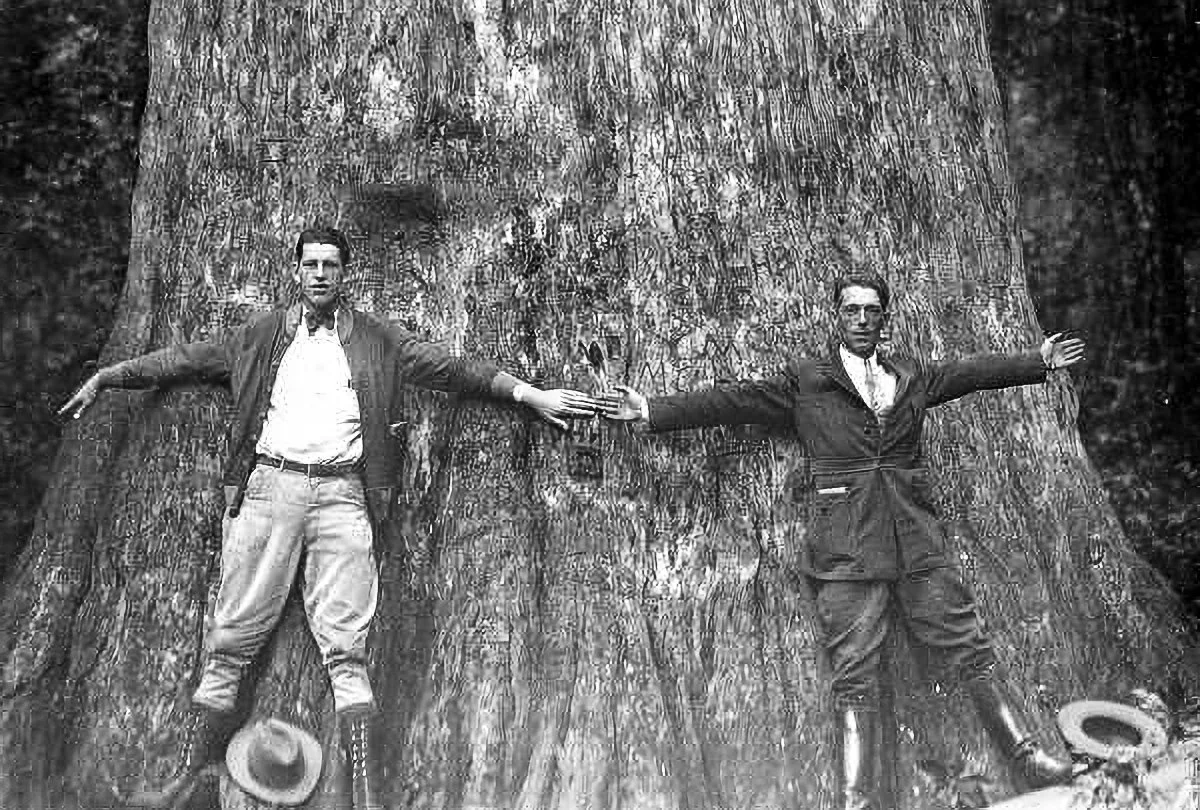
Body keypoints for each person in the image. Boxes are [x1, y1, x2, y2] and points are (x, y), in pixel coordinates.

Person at [59, 226, 598, 810]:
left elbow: (452, 368)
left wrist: (529, 394)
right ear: (297, 271)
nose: (320, 273)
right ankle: (181, 783)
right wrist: (110, 375)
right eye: (310, 263)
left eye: (330, 265)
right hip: (268, 491)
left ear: (345, 275)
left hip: (344, 498)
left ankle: (365, 799)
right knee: (230, 636)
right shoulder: (261, 335)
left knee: (347, 647)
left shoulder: (376, 341)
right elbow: (183, 360)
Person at [600, 272, 1085, 810]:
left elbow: (966, 373)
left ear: (883, 319)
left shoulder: (909, 374)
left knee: (968, 645)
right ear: (837, 316)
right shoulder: (809, 382)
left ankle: (1025, 759)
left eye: (870, 312)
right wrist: (652, 410)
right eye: (850, 310)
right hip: (846, 546)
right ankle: (858, 801)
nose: (860, 320)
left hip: (914, 538)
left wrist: (1034, 361)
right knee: (854, 672)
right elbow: (731, 400)